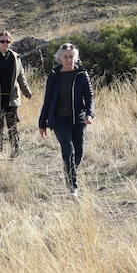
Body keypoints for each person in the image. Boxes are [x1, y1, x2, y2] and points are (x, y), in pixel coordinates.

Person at [38, 43, 95, 198]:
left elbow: (89, 97)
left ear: (75, 58)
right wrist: (42, 123)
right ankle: (73, 187)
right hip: (59, 120)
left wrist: (90, 114)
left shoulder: (82, 75)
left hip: (79, 119)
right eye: (66, 57)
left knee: (79, 152)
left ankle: (69, 170)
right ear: (60, 59)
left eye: (71, 56)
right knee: (68, 151)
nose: (69, 59)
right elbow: (48, 100)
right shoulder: (54, 76)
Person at [0, 31, 32, 155]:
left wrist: (27, 91)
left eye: (8, 41)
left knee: (12, 126)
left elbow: (21, 76)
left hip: (11, 97)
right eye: (2, 41)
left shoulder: (15, 56)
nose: (5, 43)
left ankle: (15, 149)